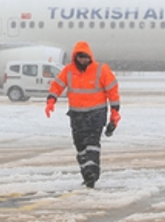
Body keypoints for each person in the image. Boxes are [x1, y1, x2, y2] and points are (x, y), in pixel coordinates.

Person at [45, 41, 121, 188]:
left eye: (86, 57)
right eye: (80, 57)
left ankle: (92, 172)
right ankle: (86, 173)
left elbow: (112, 91)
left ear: (90, 57)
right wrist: (51, 100)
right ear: (75, 57)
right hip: (77, 115)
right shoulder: (68, 71)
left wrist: (115, 111)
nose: (83, 60)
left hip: (96, 114)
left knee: (92, 144)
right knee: (80, 146)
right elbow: (57, 85)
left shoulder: (101, 70)